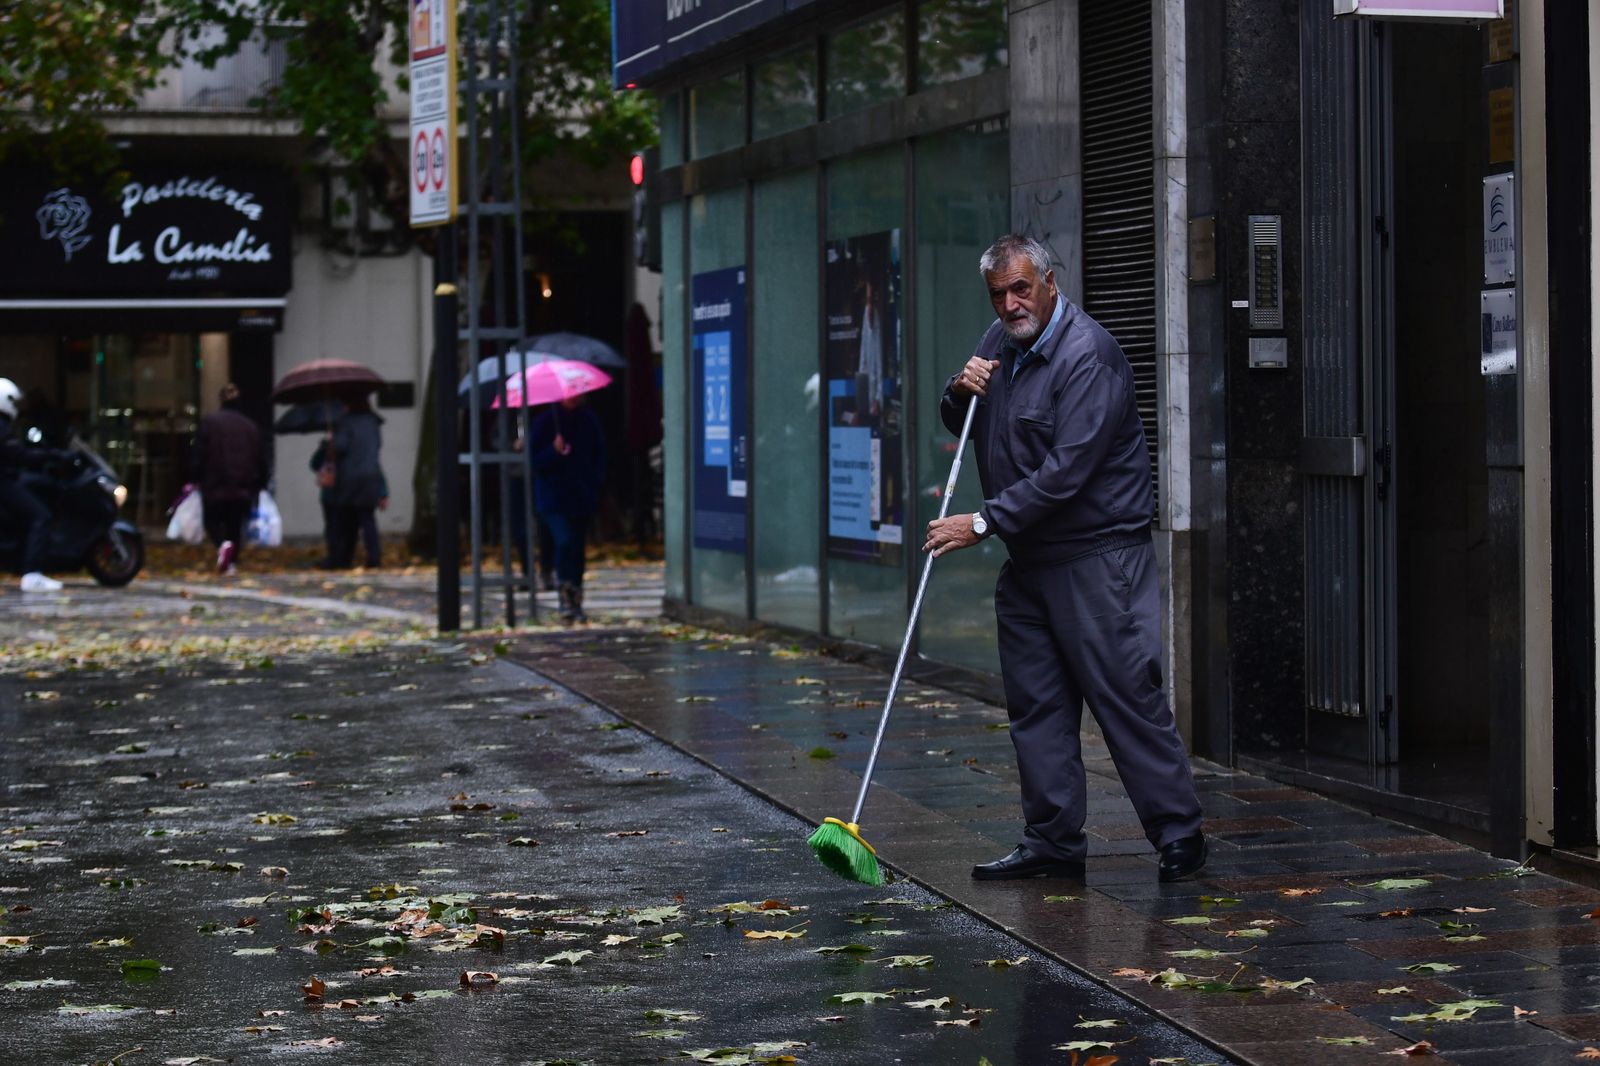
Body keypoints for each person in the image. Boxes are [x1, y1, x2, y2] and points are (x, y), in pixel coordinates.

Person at [923, 234, 1206, 884]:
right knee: (1037, 706)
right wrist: (958, 392)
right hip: (1030, 559)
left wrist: (982, 521)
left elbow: (1067, 472)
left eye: (1021, 289)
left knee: (1125, 695)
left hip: (1096, 558)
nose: (1010, 304)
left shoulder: (1089, 356)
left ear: (1050, 283)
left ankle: (1179, 833)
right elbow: (966, 421)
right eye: (998, 294)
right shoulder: (998, 343)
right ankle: (1051, 840)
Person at [525, 394, 605, 623]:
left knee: (577, 548)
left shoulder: (588, 420)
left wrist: (593, 482)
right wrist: (553, 451)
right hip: (553, 497)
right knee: (564, 541)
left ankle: (575, 596)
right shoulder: (545, 422)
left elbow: (599, 454)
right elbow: (534, 461)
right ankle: (565, 595)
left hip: (581, 495)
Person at [191, 383, 268, 576]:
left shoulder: (209, 423)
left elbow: (199, 453)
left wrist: (195, 476)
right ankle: (231, 560)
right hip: (242, 485)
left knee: (212, 521)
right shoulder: (250, 426)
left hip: (214, 484)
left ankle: (222, 547)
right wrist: (261, 482)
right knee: (235, 524)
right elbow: (260, 457)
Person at [0, 378, 62, 592]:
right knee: (41, 516)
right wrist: (52, 455)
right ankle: (32, 574)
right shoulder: (1, 427)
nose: (16, 407)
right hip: (4, 483)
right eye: (13, 402)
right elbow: (19, 454)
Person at [320, 393, 386, 569]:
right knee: (367, 519)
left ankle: (343, 558)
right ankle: (374, 556)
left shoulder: (345, 422)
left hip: (349, 477)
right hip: (370, 476)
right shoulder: (373, 422)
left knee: (347, 521)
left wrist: (329, 442)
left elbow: (340, 447)